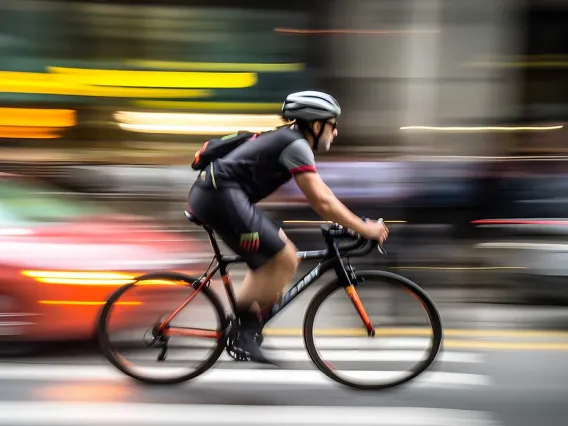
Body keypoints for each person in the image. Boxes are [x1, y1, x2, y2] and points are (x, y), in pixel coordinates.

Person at [187, 90, 389, 364]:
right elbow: (322, 201)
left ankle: (245, 327)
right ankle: (244, 334)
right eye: (333, 125)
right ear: (316, 125)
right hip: (218, 198)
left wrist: (353, 222)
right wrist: (364, 228)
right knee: (278, 258)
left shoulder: (288, 140)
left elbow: (323, 196)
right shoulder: (296, 145)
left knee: (285, 257)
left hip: (221, 196)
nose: (336, 132)